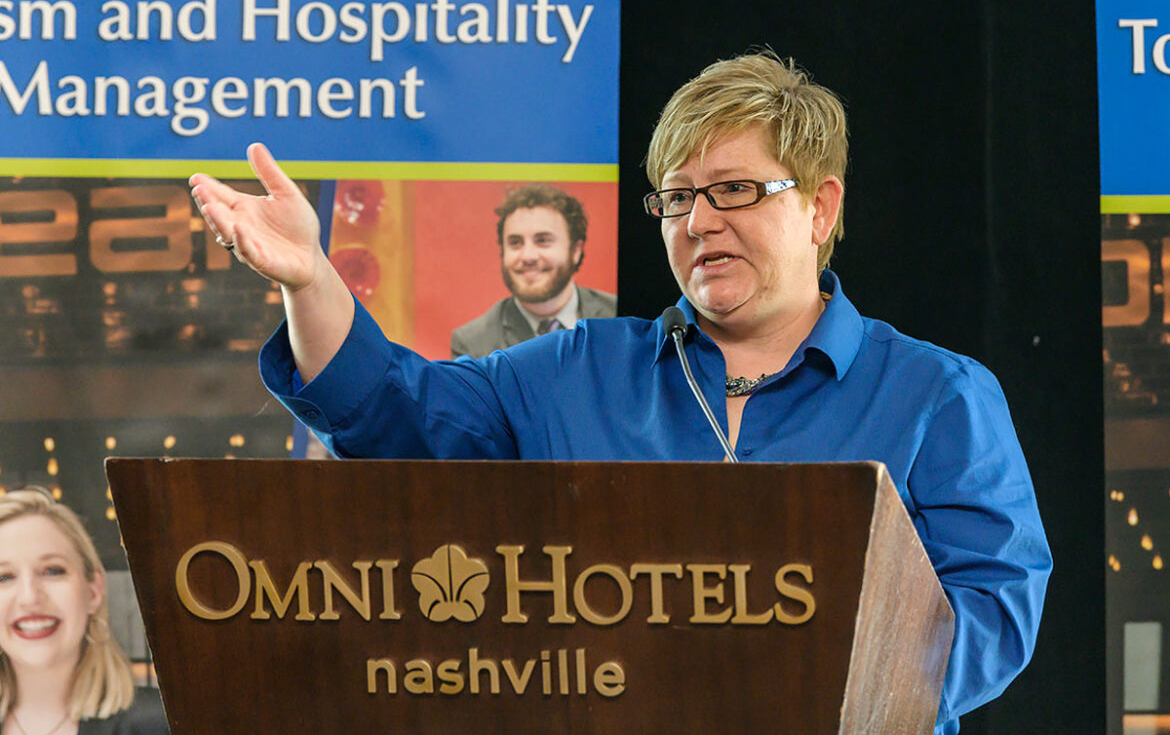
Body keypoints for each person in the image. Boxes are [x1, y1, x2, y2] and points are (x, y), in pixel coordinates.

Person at [189, 51, 1051, 734]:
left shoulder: (938, 396)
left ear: (821, 207)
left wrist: (804, 678)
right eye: (677, 198)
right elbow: (397, 412)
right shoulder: (575, 370)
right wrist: (310, 281)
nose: (699, 221)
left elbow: (992, 616)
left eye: (734, 191)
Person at [0, 488, 168, 735]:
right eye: (4, 576)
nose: (30, 597)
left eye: (52, 570)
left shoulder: (163, 725)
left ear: (93, 591)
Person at [450, 184, 616, 358]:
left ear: (575, 250)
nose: (528, 256)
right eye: (515, 242)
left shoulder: (619, 317)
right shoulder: (472, 344)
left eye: (543, 240)